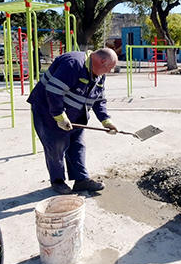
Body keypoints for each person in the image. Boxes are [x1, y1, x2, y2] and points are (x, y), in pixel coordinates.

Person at [27, 48, 119, 195]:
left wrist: (106, 121)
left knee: (78, 145)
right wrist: (59, 117)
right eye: (109, 68)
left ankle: (81, 180)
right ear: (102, 61)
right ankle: (57, 180)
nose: (109, 71)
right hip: (48, 110)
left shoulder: (99, 74)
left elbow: (99, 99)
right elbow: (53, 91)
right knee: (56, 146)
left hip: (76, 113)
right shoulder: (73, 64)